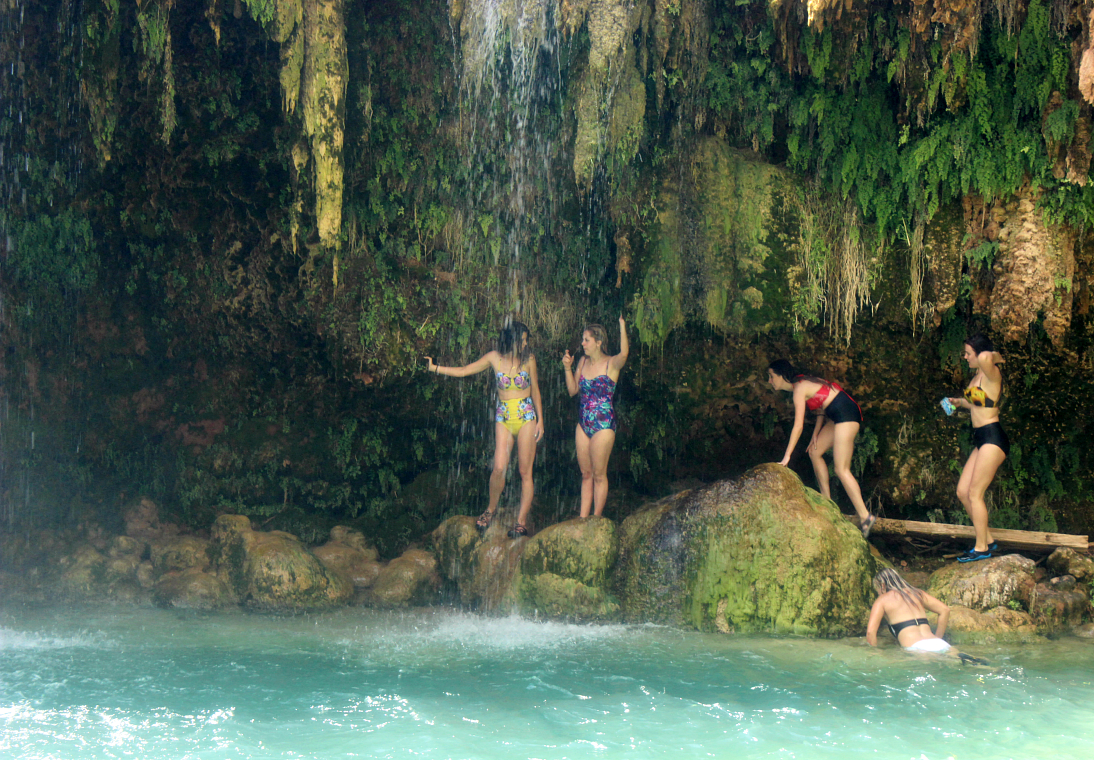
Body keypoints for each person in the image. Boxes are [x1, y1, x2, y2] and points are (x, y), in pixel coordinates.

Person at [425, 320, 544, 538]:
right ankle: (490, 509)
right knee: (499, 467)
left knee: (525, 471)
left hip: (526, 415)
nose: (526, 345)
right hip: (504, 417)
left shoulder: (529, 360)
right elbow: (464, 370)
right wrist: (435, 368)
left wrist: (541, 421)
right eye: (523, 340)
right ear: (513, 340)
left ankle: (521, 521)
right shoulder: (493, 358)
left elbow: (535, 390)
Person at [767, 359, 875, 537]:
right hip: (836, 415)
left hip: (846, 414)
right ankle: (828, 503)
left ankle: (865, 516)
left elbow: (798, 426)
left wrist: (786, 457)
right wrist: (816, 434)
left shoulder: (799, 388)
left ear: (781, 375)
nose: (769, 381)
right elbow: (820, 408)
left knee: (841, 469)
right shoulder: (801, 384)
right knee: (815, 452)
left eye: (771, 376)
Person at [947, 333, 1007, 562]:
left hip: (993, 437)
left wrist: (993, 355)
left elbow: (985, 359)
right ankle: (989, 540)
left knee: (975, 493)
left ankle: (981, 548)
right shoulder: (977, 377)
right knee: (963, 492)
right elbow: (975, 403)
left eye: (967, 353)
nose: (965, 357)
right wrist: (957, 403)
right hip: (981, 438)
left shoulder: (992, 373)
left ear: (980, 354)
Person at [562, 316, 629, 517]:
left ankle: (596, 518)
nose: (582, 344)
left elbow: (624, 352)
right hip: (583, 424)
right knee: (586, 475)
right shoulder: (582, 361)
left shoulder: (612, 364)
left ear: (598, 342)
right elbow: (573, 390)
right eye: (583, 340)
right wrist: (567, 368)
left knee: (599, 475)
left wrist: (622, 325)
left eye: (586, 340)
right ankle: (583, 518)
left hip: (604, 425)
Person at [866, 568, 951, 653]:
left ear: (882, 585)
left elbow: (870, 632)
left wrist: (875, 653)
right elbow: (945, 610)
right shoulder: (917, 593)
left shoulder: (882, 600)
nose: (879, 593)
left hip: (916, 648)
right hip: (940, 644)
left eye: (877, 590)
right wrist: (938, 637)